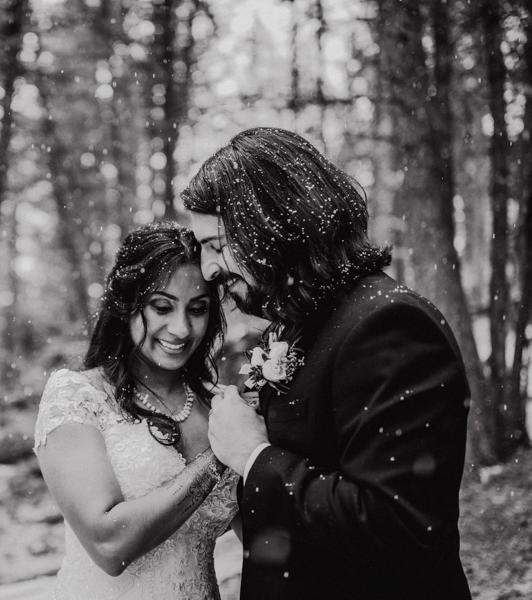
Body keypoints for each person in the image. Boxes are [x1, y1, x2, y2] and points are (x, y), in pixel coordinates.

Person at [182, 127, 472, 600]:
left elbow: (398, 524)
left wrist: (254, 456)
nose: (209, 270)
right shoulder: (302, 325)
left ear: (271, 223)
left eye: (216, 244)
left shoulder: (388, 324)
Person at [34, 221, 238, 600]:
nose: (180, 328)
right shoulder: (77, 396)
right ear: (127, 303)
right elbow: (109, 545)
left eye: (198, 309)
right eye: (162, 307)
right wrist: (219, 458)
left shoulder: (221, 406)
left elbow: (264, 534)